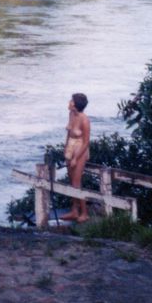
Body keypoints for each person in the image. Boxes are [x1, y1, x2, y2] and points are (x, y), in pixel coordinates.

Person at [61, 93, 90, 222]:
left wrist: (75, 158)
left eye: (71, 100)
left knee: (77, 182)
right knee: (71, 179)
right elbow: (69, 132)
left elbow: (86, 142)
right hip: (71, 145)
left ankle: (84, 213)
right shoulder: (71, 114)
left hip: (80, 148)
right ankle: (74, 211)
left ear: (75, 104)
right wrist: (66, 148)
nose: (69, 102)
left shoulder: (85, 120)